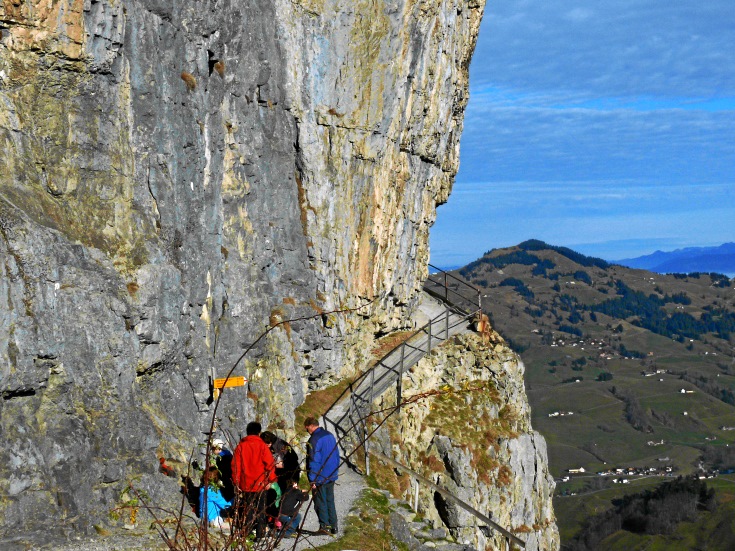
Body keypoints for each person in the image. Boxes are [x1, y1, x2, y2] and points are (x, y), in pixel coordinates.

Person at [231, 422, 277, 539]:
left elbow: (235, 466)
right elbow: (270, 464)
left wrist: (236, 482)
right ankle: (261, 534)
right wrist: (270, 480)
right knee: (261, 509)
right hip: (261, 484)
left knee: (248, 509)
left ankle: (247, 533)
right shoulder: (262, 446)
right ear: (259, 432)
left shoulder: (241, 446)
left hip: (246, 484)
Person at [304, 416, 339, 535]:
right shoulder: (329, 435)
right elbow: (336, 455)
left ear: (310, 426)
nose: (306, 430)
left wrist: (312, 479)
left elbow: (314, 460)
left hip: (320, 476)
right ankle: (334, 526)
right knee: (330, 500)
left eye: (306, 428)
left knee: (320, 501)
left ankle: (325, 526)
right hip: (331, 474)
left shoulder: (314, 439)